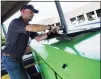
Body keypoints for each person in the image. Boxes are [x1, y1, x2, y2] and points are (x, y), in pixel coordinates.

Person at [1, 4, 59, 79]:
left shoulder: (27, 26)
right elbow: (32, 28)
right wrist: (50, 26)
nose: (33, 14)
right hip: (10, 59)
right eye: (31, 12)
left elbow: (38, 38)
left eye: (33, 13)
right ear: (23, 11)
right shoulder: (16, 22)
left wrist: (50, 32)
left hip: (17, 59)